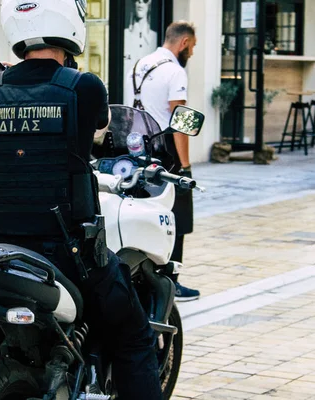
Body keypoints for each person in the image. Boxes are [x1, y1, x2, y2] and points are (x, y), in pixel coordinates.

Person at [0, 1, 163, 399]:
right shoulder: (83, 86)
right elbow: (101, 127)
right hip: (69, 255)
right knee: (134, 334)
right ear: (72, 23)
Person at [128, 21, 200, 302]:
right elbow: (180, 122)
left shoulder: (139, 65)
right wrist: (185, 166)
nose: (191, 53)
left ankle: (143, 279)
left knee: (145, 215)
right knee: (177, 219)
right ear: (183, 43)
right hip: (165, 152)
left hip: (137, 150)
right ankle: (171, 283)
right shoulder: (175, 71)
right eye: (192, 47)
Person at [123, 0, 158, 105]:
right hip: (128, 95)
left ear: (149, 4)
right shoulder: (125, 35)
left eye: (144, 1)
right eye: (137, 1)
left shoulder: (154, 37)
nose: (140, 3)